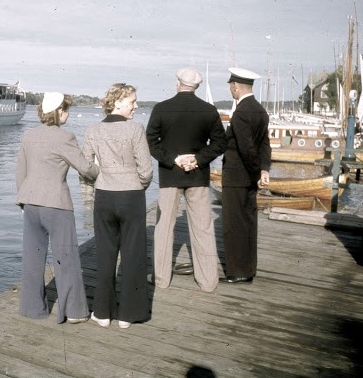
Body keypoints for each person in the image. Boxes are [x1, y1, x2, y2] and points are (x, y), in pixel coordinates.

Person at [16, 92, 100, 324]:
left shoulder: (28, 136)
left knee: (32, 259)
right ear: (59, 112)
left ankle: (32, 309)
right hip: (57, 205)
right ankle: (73, 312)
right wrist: (100, 170)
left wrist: (22, 201)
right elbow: (85, 169)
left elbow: (20, 172)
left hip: (30, 204)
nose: (68, 115)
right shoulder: (65, 137)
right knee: (66, 258)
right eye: (66, 110)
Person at [146, 66, 227, 292]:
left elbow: (152, 142)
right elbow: (220, 143)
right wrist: (198, 159)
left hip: (170, 176)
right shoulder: (209, 110)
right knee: (203, 228)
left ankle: (161, 279)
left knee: (163, 228)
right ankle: (208, 282)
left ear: (177, 82)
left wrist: (174, 159)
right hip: (198, 176)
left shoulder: (161, 108)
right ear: (197, 87)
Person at [82, 83, 153, 329]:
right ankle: (128, 315)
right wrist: (137, 184)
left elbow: (86, 166)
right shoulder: (135, 129)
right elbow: (146, 170)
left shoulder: (93, 129)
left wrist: (102, 178)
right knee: (133, 256)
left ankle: (102, 313)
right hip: (131, 195)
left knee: (105, 254)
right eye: (133, 101)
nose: (136, 106)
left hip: (104, 196)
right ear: (119, 102)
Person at [221, 67, 271, 284]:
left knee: (234, 226)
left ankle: (237, 272)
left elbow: (246, 148)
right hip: (250, 178)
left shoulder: (241, 113)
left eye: (231, 86)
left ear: (236, 86)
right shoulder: (260, 110)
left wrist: (255, 173)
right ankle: (248, 269)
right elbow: (264, 145)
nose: (231, 89)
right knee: (249, 224)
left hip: (237, 179)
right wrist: (263, 169)